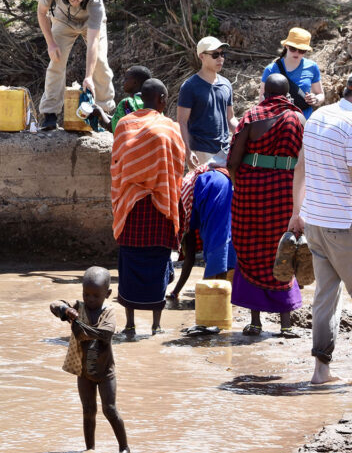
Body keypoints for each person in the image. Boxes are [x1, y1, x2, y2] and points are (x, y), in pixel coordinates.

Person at [227, 74, 305, 336]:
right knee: (282, 249)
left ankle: (255, 321)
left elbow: (233, 161)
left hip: (251, 193)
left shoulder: (252, 116)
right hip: (285, 192)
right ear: (286, 94)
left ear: (266, 92)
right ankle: (285, 324)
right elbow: (305, 164)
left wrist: (241, 187)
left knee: (250, 250)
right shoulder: (297, 118)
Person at [288, 72, 352, 384]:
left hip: (315, 222)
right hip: (344, 226)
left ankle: (321, 372)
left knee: (325, 297)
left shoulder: (318, 117)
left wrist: (296, 212)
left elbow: (300, 166)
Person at [111, 79, 185, 336]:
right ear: (163, 99)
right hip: (161, 205)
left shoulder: (123, 125)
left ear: (142, 98)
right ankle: (156, 326)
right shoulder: (169, 127)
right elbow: (178, 167)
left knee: (129, 262)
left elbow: (116, 167)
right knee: (158, 261)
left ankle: (130, 324)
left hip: (130, 206)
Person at [50, 266, 129, 453]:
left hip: (105, 372)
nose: (90, 299)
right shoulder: (79, 308)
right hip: (83, 372)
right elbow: (54, 304)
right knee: (88, 411)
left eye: (95, 295)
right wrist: (66, 310)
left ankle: (124, 447)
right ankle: (90, 449)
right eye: (86, 294)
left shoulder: (108, 312)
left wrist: (80, 328)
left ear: (107, 294)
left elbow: (105, 334)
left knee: (109, 409)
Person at [37, 0, 114, 131]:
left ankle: (105, 111)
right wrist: (51, 43)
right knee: (56, 61)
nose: (75, 2)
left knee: (100, 62)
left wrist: (88, 77)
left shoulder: (95, 0)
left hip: (90, 23)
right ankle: (50, 114)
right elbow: (42, 13)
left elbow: (93, 42)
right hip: (62, 20)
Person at [170, 154, 235, 301]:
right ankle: (222, 300)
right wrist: (175, 291)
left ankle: (210, 302)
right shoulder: (187, 219)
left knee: (218, 244)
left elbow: (190, 257)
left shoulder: (185, 218)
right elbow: (190, 257)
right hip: (220, 181)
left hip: (211, 183)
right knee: (224, 244)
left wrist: (175, 291)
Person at [177, 36, 237, 167]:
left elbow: (230, 118)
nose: (220, 58)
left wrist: (243, 134)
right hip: (201, 152)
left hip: (225, 151)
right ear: (202, 56)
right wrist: (187, 151)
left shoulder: (226, 84)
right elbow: (182, 122)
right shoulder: (189, 86)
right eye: (215, 55)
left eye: (222, 54)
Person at [260, 27, 324, 120]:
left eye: (302, 50)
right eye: (293, 48)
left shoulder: (312, 67)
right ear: (286, 46)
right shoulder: (271, 69)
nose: (297, 53)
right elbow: (262, 100)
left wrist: (315, 99)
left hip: (304, 123)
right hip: (279, 124)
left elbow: (321, 94)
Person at [110, 66, 151, 133]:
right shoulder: (152, 101)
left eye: (126, 79)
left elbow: (114, 127)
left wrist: (99, 113)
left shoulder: (126, 103)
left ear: (135, 83)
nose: (123, 81)